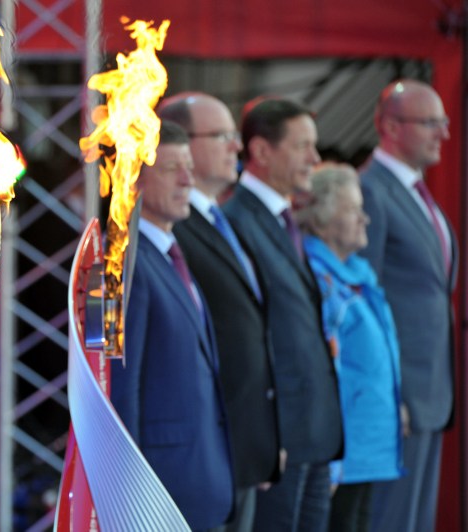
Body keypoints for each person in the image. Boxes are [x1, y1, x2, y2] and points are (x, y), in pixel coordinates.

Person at [159, 92, 281, 532]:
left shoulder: (219, 220)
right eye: (224, 136)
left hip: (239, 447)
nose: (238, 146)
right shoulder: (169, 231)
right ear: (183, 144)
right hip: (202, 451)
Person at [223, 97, 343, 532]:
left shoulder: (280, 218)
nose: (315, 158)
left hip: (312, 431)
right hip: (281, 436)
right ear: (261, 151)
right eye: (303, 146)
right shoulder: (236, 221)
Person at [110, 120, 235, 530]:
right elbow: (120, 386)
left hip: (200, 478)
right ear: (134, 178)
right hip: (161, 492)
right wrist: (129, 490)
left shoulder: (169, 255)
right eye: (171, 169)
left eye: (189, 168)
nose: (187, 180)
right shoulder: (123, 263)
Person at [358, 79, 457, 532]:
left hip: (430, 390)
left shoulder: (418, 193)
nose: (445, 134)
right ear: (391, 127)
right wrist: (387, 393)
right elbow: (363, 300)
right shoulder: (371, 192)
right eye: (431, 123)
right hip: (397, 400)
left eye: (444, 121)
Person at [296, 163, 404, 532]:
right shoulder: (318, 276)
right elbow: (326, 368)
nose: (365, 219)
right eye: (352, 210)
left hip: (366, 443)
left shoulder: (356, 272)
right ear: (323, 220)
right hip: (342, 452)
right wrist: (335, 462)